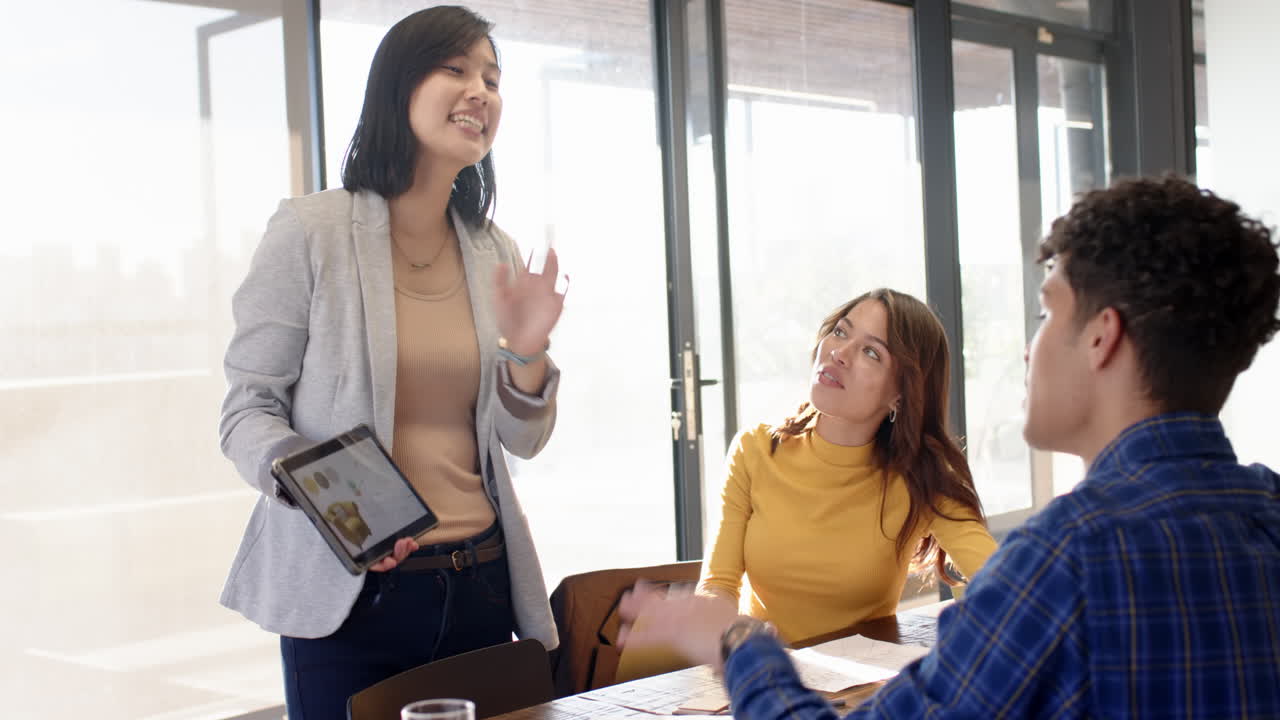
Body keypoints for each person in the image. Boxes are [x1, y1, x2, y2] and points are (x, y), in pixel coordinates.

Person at [618, 176, 1280, 719]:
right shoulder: (1266, 511)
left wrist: (737, 645)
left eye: (1047, 313)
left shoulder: (1065, 560)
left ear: (1102, 337)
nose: (1030, 347)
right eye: (841, 334)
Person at [217, 7, 565, 719]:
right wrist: (332, 502)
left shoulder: (492, 249)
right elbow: (247, 409)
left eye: (493, 80)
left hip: (480, 582)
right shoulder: (311, 232)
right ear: (398, 85)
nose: (481, 92)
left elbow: (522, 440)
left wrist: (528, 353)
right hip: (351, 597)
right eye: (456, 69)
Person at [698, 289, 997, 644]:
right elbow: (717, 584)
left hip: (861, 689)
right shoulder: (755, 449)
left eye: (871, 352)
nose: (839, 353)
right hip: (762, 677)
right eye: (840, 332)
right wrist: (733, 634)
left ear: (901, 393)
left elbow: (1003, 589)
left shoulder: (922, 476)